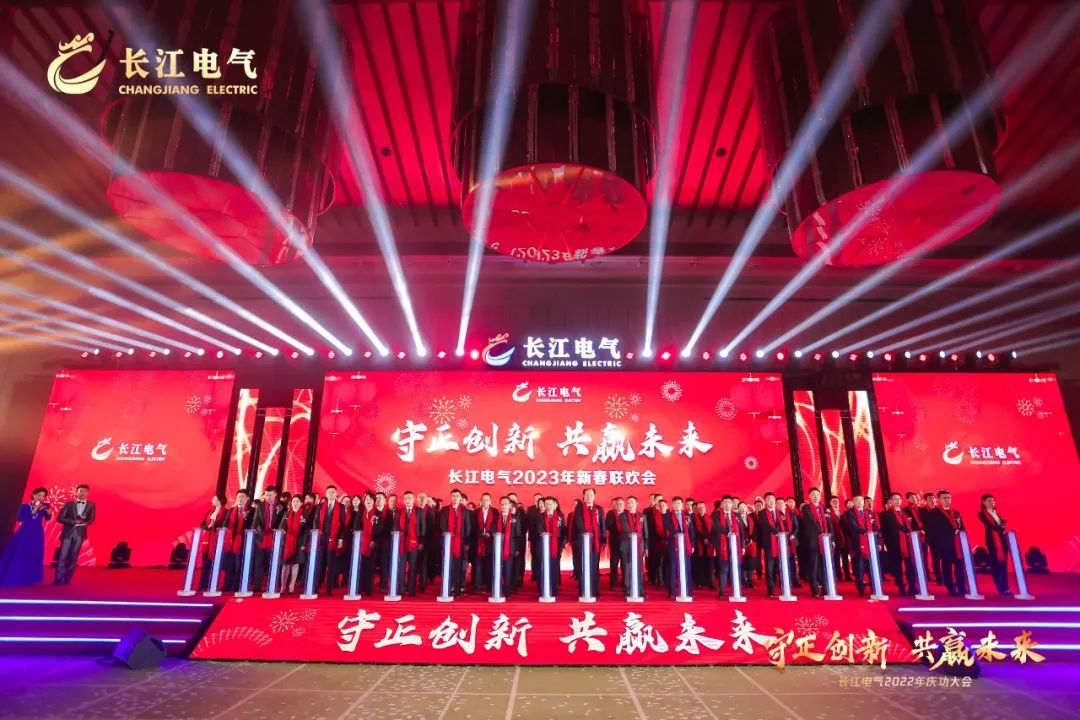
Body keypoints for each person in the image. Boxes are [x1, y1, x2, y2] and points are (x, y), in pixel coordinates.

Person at [0, 487, 50, 587]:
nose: (41, 497)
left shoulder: (45, 507)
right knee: (20, 551)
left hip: (37, 533)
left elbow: (48, 518)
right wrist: (34, 509)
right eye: (39, 495)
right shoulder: (24, 506)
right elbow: (20, 518)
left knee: (33, 553)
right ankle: (16, 574)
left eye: (43, 496)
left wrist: (49, 513)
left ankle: (30, 577)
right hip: (25, 531)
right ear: (33, 495)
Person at [925, 489, 966, 596]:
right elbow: (932, 530)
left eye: (949, 498)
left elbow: (962, 526)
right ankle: (951, 588)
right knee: (947, 567)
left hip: (957, 544)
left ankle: (962, 588)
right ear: (938, 499)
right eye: (944, 498)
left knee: (959, 567)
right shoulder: (933, 513)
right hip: (944, 545)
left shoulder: (955, 512)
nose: (947, 500)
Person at [313, 486, 348, 596]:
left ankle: (329, 587)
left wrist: (340, 539)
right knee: (320, 562)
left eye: (333, 492)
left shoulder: (341, 506)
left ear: (336, 494)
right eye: (329, 492)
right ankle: (316, 586)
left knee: (331, 563)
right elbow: (316, 520)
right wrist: (316, 532)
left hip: (334, 537)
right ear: (326, 493)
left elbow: (343, 524)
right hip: (321, 536)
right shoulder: (321, 505)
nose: (331, 494)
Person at [571, 489, 605, 598]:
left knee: (595, 567)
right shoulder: (579, 508)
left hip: (596, 541)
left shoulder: (599, 509)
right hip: (583, 541)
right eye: (587, 494)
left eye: (591, 494)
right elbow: (578, 522)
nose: (589, 496)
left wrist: (603, 539)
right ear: (584, 496)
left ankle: (595, 592)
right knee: (583, 566)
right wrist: (585, 534)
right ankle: (583, 591)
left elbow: (602, 525)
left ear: (594, 496)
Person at [440, 489, 473, 597]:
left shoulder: (465, 511)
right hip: (448, 542)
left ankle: (457, 590)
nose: (455, 498)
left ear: (460, 498)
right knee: (447, 565)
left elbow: (468, 528)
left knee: (459, 567)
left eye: (457, 496)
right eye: (453, 496)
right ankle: (446, 588)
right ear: (451, 497)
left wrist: (466, 542)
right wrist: (448, 535)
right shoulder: (445, 510)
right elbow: (442, 526)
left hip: (460, 543)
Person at [880, 492, 915, 596]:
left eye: (899, 499)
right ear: (890, 501)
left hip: (908, 543)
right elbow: (892, 526)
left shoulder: (905, 513)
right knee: (898, 568)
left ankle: (912, 587)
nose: (898, 501)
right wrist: (906, 530)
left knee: (910, 566)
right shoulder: (886, 514)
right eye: (895, 499)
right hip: (894, 544)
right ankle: (901, 587)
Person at [391, 490, 425, 597]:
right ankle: (400, 588)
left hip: (414, 543)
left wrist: (421, 542)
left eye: (409, 498)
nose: (407, 500)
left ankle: (411, 589)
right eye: (405, 498)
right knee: (401, 566)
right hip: (401, 543)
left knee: (413, 566)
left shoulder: (419, 511)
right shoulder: (399, 511)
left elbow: (423, 528)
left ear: (413, 499)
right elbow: (395, 526)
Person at [221, 490, 256, 592]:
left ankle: (238, 585)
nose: (240, 499)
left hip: (243, 541)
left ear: (247, 498)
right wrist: (224, 528)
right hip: (231, 540)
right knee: (229, 564)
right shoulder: (232, 510)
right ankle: (227, 584)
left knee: (239, 564)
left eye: (242, 497)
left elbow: (252, 525)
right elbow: (225, 523)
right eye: (239, 497)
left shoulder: (252, 511)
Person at [799, 488, 831, 597]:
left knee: (825, 565)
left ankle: (826, 589)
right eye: (813, 494)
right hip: (813, 540)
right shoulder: (806, 508)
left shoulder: (824, 508)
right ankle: (815, 590)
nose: (816, 496)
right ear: (809, 496)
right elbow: (810, 523)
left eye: (817, 494)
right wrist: (821, 533)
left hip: (825, 540)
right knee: (814, 566)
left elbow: (829, 524)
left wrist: (831, 539)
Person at [843, 495, 877, 597]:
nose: (860, 502)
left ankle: (874, 588)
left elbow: (875, 526)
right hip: (857, 544)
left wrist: (878, 538)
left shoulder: (869, 512)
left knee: (872, 567)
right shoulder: (849, 513)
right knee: (859, 568)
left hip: (870, 543)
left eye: (861, 500)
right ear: (853, 502)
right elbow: (853, 526)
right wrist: (866, 532)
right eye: (857, 500)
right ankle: (861, 589)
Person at [978, 494, 1011, 595]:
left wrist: (1003, 527)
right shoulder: (982, 514)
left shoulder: (997, 513)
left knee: (1003, 565)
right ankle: (1001, 588)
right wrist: (1001, 527)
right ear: (984, 502)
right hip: (992, 542)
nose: (992, 502)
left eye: (993, 500)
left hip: (1002, 541)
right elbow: (990, 526)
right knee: (996, 565)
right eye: (989, 500)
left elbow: (1001, 526)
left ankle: (1006, 587)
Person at [254, 486, 284, 592]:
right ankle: (257, 585)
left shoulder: (282, 505)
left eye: (270, 495)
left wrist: (279, 530)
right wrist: (254, 530)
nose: (268, 497)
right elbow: (256, 521)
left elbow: (283, 521)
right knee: (259, 562)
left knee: (273, 562)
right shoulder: (260, 505)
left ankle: (273, 584)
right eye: (266, 495)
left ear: (275, 494)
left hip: (275, 538)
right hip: (262, 538)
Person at [710, 495, 741, 598]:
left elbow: (741, 531)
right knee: (724, 569)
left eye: (729, 502)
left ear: (732, 504)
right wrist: (728, 533)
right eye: (725, 502)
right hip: (722, 545)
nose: (727, 504)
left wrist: (743, 546)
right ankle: (722, 592)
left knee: (735, 568)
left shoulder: (736, 515)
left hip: (735, 545)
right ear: (722, 504)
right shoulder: (715, 514)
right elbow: (717, 527)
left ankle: (737, 590)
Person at [663, 496, 694, 599]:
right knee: (673, 567)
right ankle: (671, 592)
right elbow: (669, 527)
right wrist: (677, 534)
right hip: (674, 544)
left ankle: (688, 591)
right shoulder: (667, 515)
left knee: (687, 567)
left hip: (686, 544)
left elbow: (691, 531)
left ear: (682, 504)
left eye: (678, 503)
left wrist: (692, 544)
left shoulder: (687, 516)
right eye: (675, 503)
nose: (676, 505)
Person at [535, 496, 565, 598]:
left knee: (554, 569)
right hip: (543, 547)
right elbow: (539, 530)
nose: (548, 506)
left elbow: (563, 532)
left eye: (550, 504)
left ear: (555, 505)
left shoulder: (560, 517)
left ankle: (554, 592)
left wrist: (562, 546)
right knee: (542, 569)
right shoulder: (540, 517)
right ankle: (542, 591)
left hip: (556, 548)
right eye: (546, 504)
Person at [198, 494, 229, 591]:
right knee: (205, 564)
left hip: (218, 540)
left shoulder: (226, 512)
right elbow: (202, 525)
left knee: (216, 564)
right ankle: (203, 584)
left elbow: (225, 525)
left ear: (220, 500)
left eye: (214, 498)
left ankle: (214, 584)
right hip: (207, 540)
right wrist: (209, 527)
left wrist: (214, 527)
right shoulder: (210, 511)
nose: (212, 500)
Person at [619, 495, 647, 599]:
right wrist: (634, 534)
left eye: (632, 503)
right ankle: (627, 590)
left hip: (639, 545)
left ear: (636, 504)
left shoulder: (642, 516)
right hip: (626, 545)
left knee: (639, 568)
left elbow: (645, 532)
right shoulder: (622, 515)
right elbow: (625, 528)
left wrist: (646, 546)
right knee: (627, 568)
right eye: (628, 503)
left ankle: (640, 590)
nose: (630, 505)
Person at [279, 495, 308, 594]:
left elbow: (306, 531)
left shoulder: (305, 514)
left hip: (298, 542)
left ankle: (292, 585)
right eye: (293, 501)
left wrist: (304, 543)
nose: (295, 503)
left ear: (301, 503)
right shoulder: (287, 513)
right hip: (287, 542)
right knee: (285, 564)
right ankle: (283, 585)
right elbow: (282, 526)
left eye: (297, 501)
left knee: (295, 564)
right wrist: (282, 531)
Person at [757, 493, 784, 598]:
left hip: (780, 543)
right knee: (770, 568)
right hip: (769, 544)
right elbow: (765, 525)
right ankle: (771, 590)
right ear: (765, 501)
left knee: (781, 567)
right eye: (769, 499)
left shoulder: (779, 512)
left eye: (773, 499)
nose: (771, 501)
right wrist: (777, 532)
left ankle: (783, 588)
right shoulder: (762, 513)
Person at [493, 495, 520, 598]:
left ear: (510, 505)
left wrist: (517, 548)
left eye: (505, 504)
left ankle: (507, 592)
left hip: (510, 548)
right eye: (502, 504)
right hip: (498, 547)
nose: (503, 506)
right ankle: (496, 590)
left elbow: (518, 535)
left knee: (508, 570)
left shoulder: (514, 518)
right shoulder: (496, 518)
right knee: (497, 569)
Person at [355, 493, 380, 595]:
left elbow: (379, 529)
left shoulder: (377, 513)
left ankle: (368, 589)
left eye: (370, 499)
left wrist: (374, 540)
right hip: (360, 543)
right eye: (366, 499)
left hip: (372, 543)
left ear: (374, 501)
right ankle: (359, 588)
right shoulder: (361, 512)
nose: (368, 501)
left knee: (369, 566)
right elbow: (356, 526)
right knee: (360, 565)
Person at [473, 493, 496, 593]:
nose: (485, 501)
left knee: (489, 564)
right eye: (483, 499)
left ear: (490, 501)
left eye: (487, 500)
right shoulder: (476, 512)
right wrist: (480, 533)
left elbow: (496, 525)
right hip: (479, 542)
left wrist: (489, 533)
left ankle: (489, 586)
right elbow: (473, 526)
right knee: (478, 565)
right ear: (481, 501)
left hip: (490, 542)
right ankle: (477, 586)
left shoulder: (495, 512)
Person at [691, 501, 713, 589]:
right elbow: (694, 532)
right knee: (699, 564)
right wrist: (703, 539)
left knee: (709, 564)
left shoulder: (709, 518)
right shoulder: (693, 519)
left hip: (709, 544)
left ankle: (709, 582)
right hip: (698, 544)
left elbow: (712, 530)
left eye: (703, 507)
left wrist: (708, 539)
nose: (701, 509)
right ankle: (699, 582)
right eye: (699, 508)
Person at [922, 492, 942, 584]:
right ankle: (926, 575)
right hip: (926, 537)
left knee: (937, 557)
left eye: (933, 498)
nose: (932, 499)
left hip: (938, 537)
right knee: (924, 557)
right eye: (930, 498)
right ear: (925, 500)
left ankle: (939, 577)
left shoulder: (938, 510)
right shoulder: (922, 510)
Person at [737, 502, 757, 589]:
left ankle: (750, 579)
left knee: (751, 562)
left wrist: (752, 538)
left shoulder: (750, 518)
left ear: (746, 508)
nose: (742, 509)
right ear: (738, 509)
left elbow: (755, 529)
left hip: (751, 543)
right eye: (741, 507)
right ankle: (743, 579)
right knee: (743, 562)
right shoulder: (736, 519)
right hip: (742, 543)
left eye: (744, 507)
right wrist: (743, 540)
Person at [605, 497, 624, 589]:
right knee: (614, 563)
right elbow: (607, 525)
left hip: (625, 542)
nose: (619, 505)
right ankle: (613, 583)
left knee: (625, 563)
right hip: (614, 541)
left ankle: (625, 582)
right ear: (615, 505)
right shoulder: (611, 513)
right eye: (617, 504)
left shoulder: (626, 513)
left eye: (621, 504)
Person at [526, 493, 544, 585]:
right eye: (536, 499)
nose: (538, 500)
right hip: (533, 536)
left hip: (543, 537)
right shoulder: (531, 509)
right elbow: (527, 522)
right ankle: (535, 574)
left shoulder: (545, 508)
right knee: (534, 556)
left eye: (539, 498)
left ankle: (542, 574)